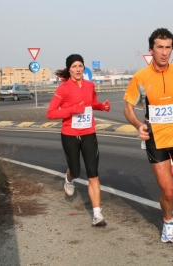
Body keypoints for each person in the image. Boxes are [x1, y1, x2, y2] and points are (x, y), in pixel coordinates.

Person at [123, 28, 173, 243]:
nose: (164, 52)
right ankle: (168, 222)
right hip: (155, 140)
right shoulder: (141, 77)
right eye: (160, 47)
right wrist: (138, 125)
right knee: (166, 191)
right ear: (151, 49)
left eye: (168, 47)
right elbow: (128, 107)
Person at [46, 54, 111, 226]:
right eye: (74, 66)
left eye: (80, 65)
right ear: (69, 69)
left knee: (93, 173)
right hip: (69, 134)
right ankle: (69, 178)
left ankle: (97, 214)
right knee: (75, 170)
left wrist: (102, 106)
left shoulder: (90, 85)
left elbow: (91, 103)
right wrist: (73, 109)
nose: (78, 69)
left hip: (89, 133)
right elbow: (51, 113)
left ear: (84, 67)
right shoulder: (63, 88)